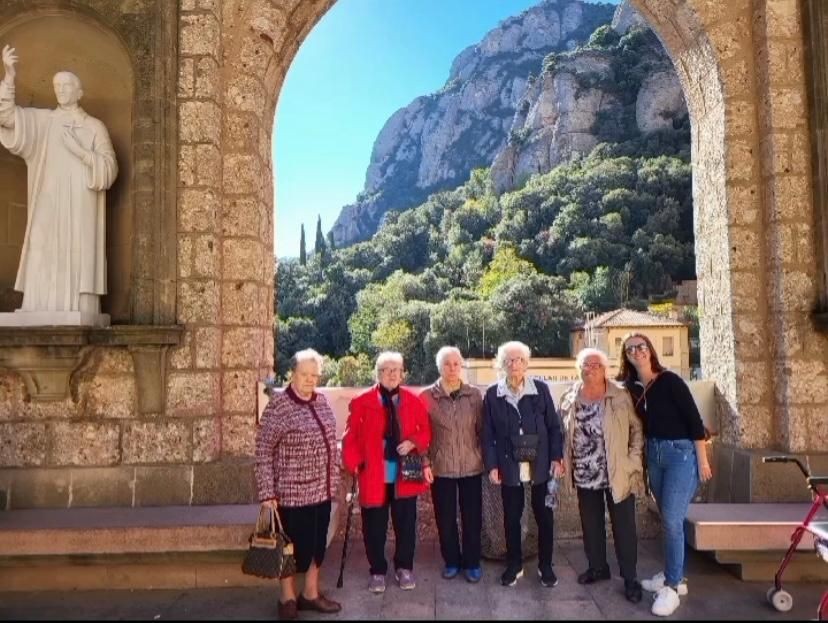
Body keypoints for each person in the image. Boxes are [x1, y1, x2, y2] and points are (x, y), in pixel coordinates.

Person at [0, 45, 117, 320]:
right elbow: (7, 117)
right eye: (57, 86)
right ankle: (38, 305)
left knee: (77, 250)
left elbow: (110, 168)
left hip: (80, 204)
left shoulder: (94, 126)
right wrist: (9, 77)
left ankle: (79, 306)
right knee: (42, 243)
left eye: (67, 85)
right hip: (48, 200)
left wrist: (82, 153)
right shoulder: (44, 122)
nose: (61, 90)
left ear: (79, 92)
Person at [617, 332, 713, 617]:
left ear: (650, 350)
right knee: (669, 518)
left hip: (680, 454)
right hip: (654, 455)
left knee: (671, 520)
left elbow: (694, 421)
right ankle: (675, 574)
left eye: (641, 346)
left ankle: (672, 586)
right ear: (626, 356)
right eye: (631, 349)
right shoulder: (631, 388)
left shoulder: (670, 381)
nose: (637, 351)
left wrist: (702, 461)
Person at [254, 349, 341, 621]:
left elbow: (330, 440)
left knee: (316, 547)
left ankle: (311, 594)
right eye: (304, 374)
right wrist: (266, 492)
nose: (310, 380)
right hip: (291, 494)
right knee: (289, 549)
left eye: (314, 375)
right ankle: (287, 598)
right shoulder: (279, 406)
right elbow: (263, 450)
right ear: (292, 374)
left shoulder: (321, 401)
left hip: (322, 491)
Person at [342, 351, 432, 594]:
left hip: (404, 475)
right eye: (387, 370)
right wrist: (355, 463)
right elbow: (349, 438)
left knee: (406, 524)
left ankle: (404, 567)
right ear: (378, 373)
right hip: (373, 475)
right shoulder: (362, 401)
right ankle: (377, 570)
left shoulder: (413, 401)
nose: (392, 374)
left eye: (396, 370)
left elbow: (426, 431)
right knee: (374, 527)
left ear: (402, 373)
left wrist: (413, 442)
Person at [559, 347, 644, 604]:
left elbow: (636, 429)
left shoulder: (620, 395)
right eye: (586, 365)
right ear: (579, 369)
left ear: (605, 369)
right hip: (584, 471)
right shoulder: (570, 396)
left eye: (596, 364)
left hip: (617, 471)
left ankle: (630, 578)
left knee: (624, 526)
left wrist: (633, 460)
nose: (591, 369)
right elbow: (563, 432)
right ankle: (598, 567)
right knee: (591, 523)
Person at [482, 341, 564, 588]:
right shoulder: (493, 394)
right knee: (511, 518)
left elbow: (554, 427)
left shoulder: (540, 389)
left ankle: (545, 566)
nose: (514, 364)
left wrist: (556, 458)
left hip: (540, 464)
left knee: (544, 517)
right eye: (509, 360)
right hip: (509, 465)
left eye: (519, 359)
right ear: (502, 364)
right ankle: (514, 565)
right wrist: (492, 465)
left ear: (526, 363)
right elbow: (488, 434)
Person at [419, 346, 484, 583]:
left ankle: (472, 562)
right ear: (439, 367)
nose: (452, 368)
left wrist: (482, 456)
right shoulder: (427, 397)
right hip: (441, 466)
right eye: (447, 364)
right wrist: (425, 461)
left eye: (456, 363)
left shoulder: (474, 395)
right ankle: (452, 561)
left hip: (471, 465)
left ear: (461, 366)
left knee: (472, 517)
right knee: (445, 518)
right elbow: (421, 433)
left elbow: (482, 429)